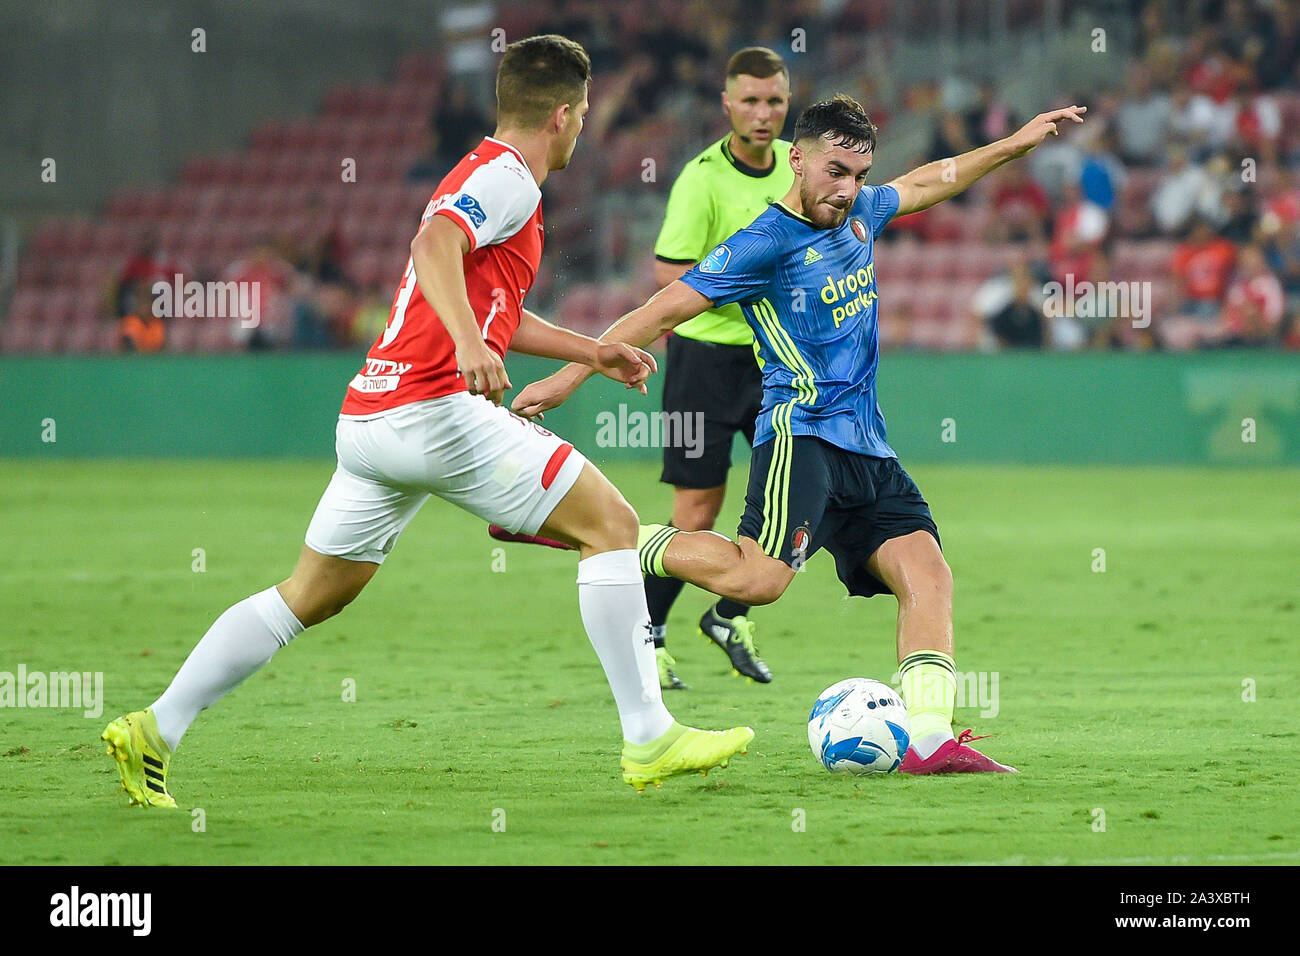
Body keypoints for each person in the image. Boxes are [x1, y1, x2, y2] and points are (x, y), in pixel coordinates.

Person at [101, 35, 753, 808]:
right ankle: (649, 736)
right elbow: (433, 242)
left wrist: (593, 349)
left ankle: (155, 728)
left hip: (373, 417)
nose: (583, 130)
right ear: (564, 114)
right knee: (610, 524)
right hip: (433, 409)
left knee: (308, 593)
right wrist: (473, 345)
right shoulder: (508, 177)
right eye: (582, 117)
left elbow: (483, 297)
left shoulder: (486, 175)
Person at [515, 95, 1089, 774]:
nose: (846, 189)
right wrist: (568, 374)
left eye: (858, 174)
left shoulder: (862, 214)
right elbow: (664, 305)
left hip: (868, 447)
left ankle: (929, 743)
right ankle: (605, 535)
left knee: (928, 574)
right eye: (834, 170)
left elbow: (934, 178)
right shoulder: (765, 242)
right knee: (758, 581)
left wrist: (1016, 142)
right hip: (802, 436)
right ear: (798, 159)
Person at [643, 46, 794, 690]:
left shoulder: (799, 166)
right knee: (696, 514)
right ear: (727, 104)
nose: (764, 114)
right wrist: (753, 287)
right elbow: (667, 274)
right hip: (700, 363)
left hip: (777, 361)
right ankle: (647, 638)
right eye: (751, 101)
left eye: (775, 101)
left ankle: (729, 614)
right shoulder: (701, 178)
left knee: (794, 506)